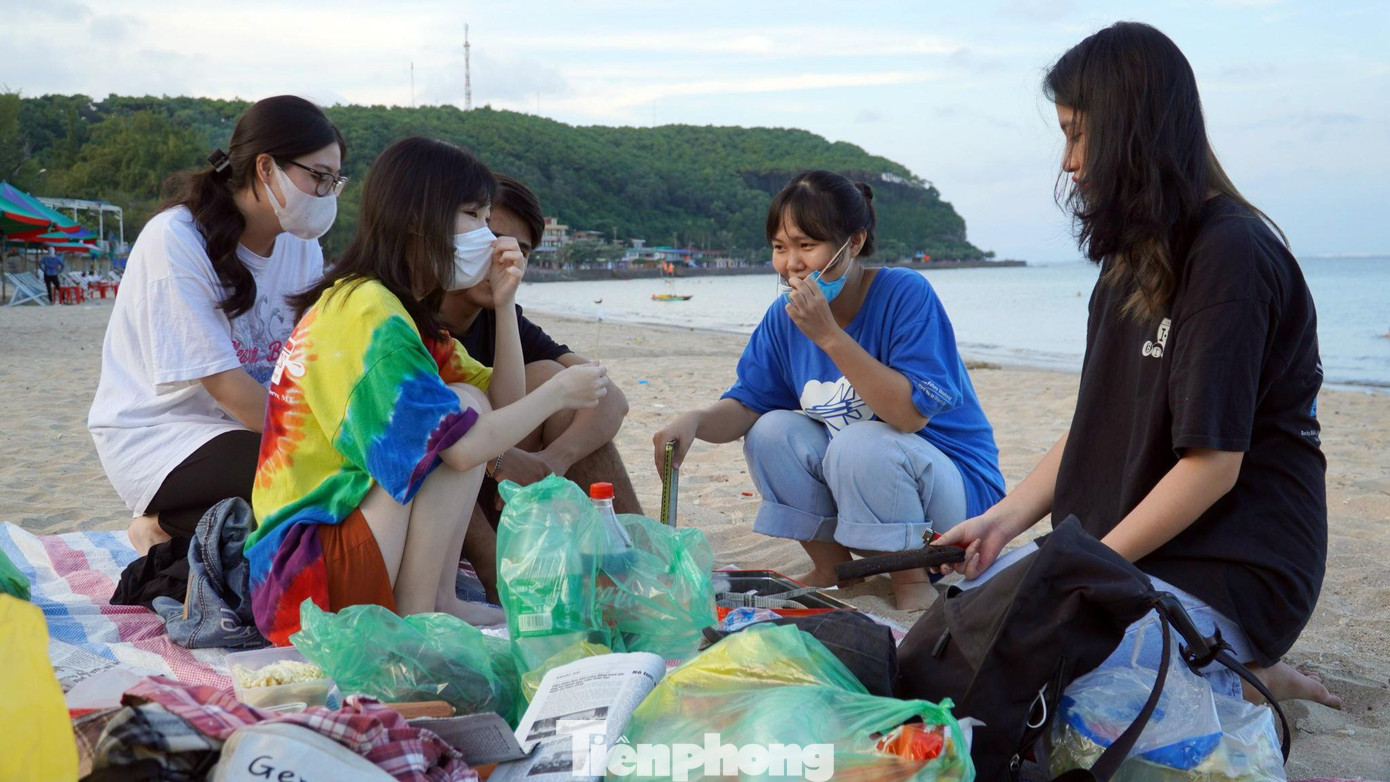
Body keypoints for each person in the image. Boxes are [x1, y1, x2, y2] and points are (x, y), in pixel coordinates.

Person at [934, 22, 1340, 708]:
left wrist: (1084, 570)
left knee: (1053, 679)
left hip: (1234, 562)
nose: (1067, 161)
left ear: (1132, 128)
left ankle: (1254, 679)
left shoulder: (1231, 255)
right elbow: (1099, 425)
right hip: (1135, 546)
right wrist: (1002, 522)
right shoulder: (1129, 261)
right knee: (962, 630)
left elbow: (1212, 465)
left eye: (1077, 133)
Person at [245, 137, 608, 643]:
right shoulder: (366, 312)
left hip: (329, 558)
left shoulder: (399, 309)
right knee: (457, 415)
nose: (487, 236)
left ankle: (437, 601)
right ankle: (421, 608)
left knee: (469, 401)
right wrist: (559, 392)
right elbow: (462, 449)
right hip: (309, 582)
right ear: (419, 219)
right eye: (473, 216)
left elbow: (502, 404)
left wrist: (504, 305)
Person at [653, 170, 1005, 610]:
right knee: (770, 430)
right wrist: (696, 421)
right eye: (780, 248)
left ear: (853, 243)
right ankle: (833, 568)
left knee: (859, 443)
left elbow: (910, 416)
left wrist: (830, 336)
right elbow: (747, 403)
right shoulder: (784, 318)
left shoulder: (904, 294)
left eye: (806, 245)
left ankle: (912, 585)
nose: (791, 264)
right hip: (872, 495)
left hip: (958, 505)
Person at [88, 95, 345, 559]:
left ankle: (190, 526)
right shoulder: (177, 238)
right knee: (311, 473)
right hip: (165, 432)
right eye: (318, 177)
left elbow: (312, 355)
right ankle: (162, 522)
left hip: (248, 424)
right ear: (266, 168)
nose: (327, 193)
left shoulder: (299, 244)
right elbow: (224, 385)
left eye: (335, 181)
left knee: (337, 478)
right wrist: (322, 441)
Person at [438, 174, 639, 600]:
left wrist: (553, 460)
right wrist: (499, 459)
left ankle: (634, 569)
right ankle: (499, 578)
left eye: (519, 250)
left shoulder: (503, 316)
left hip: (504, 495)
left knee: (557, 383)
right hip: (440, 492)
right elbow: (428, 433)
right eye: (490, 236)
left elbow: (611, 399)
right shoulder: (410, 314)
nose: (502, 256)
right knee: (468, 407)